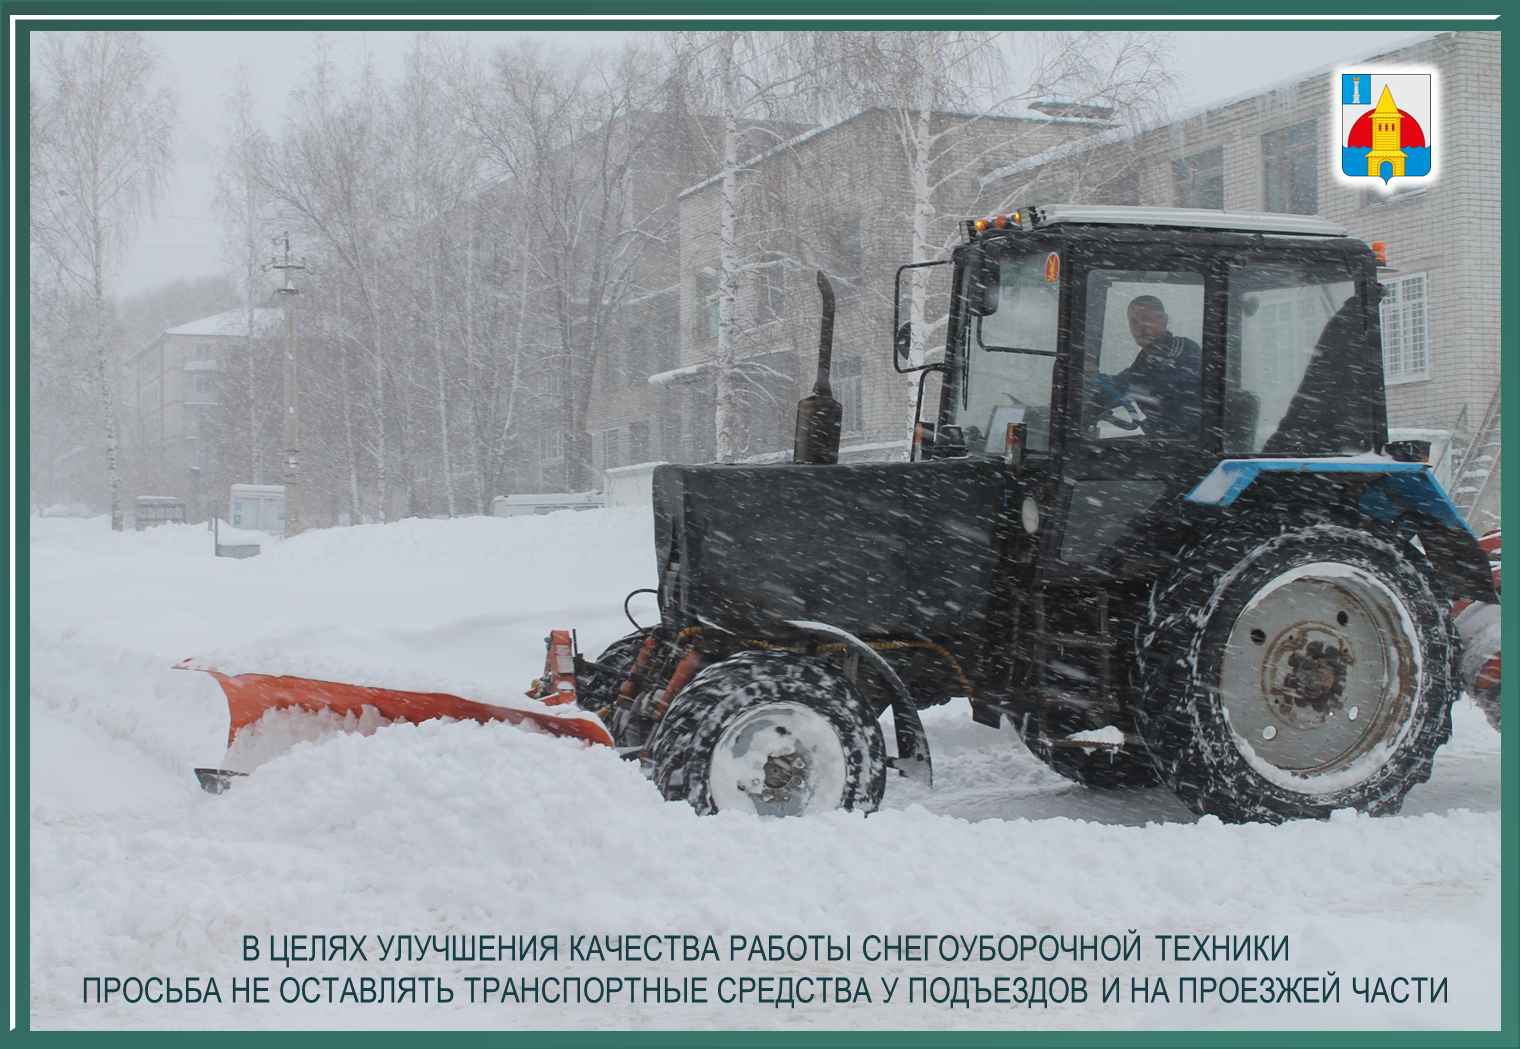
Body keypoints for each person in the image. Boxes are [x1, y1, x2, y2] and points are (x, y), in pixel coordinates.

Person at [1089, 294, 1202, 440]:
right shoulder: (1144, 361)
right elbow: (1126, 384)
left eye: (1147, 318)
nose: (1140, 326)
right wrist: (1094, 396)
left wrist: (1112, 384)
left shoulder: (1184, 349)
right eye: (1134, 321)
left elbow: (1155, 383)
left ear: (1164, 321)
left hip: (1190, 439)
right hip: (1164, 438)